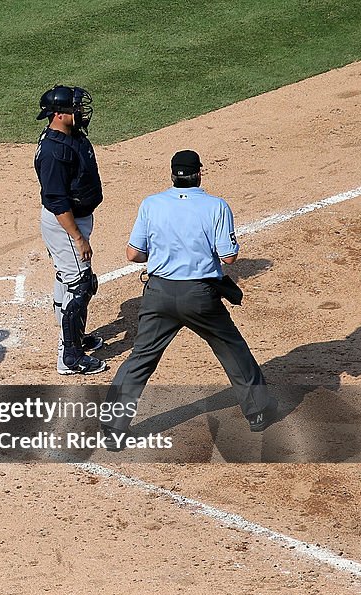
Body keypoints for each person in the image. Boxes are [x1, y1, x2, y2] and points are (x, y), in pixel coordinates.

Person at [102, 150, 276, 449]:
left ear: (172, 175)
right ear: (199, 173)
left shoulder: (151, 204)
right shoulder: (216, 206)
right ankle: (258, 412)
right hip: (200, 297)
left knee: (141, 358)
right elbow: (229, 257)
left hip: (158, 296)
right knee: (232, 349)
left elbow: (133, 254)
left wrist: (160, 255)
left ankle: (113, 429)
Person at [34, 85, 107, 375]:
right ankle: (70, 356)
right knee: (80, 284)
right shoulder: (53, 151)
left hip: (74, 219)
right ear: (60, 114)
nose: (80, 112)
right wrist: (77, 237)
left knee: (69, 278)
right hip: (65, 223)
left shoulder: (70, 136)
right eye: (75, 108)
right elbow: (56, 200)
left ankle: (73, 338)